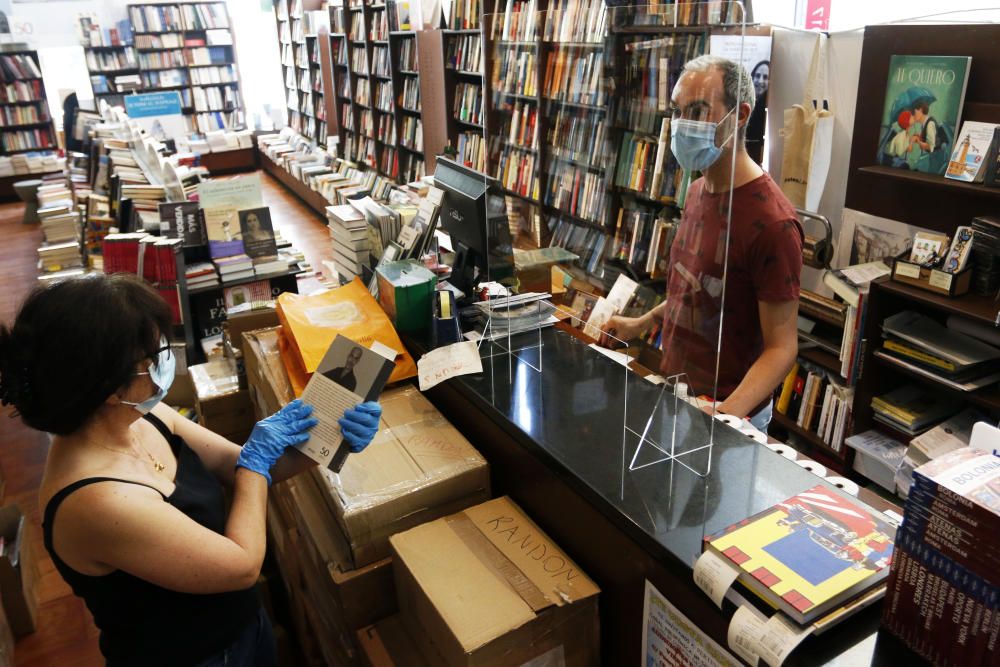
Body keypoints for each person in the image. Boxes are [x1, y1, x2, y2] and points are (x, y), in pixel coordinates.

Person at [0, 273, 383, 667]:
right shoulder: (94, 500)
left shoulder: (141, 417)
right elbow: (242, 564)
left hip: (241, 628)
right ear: (110, 388)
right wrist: (258, 457)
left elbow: (239, 465)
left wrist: (329, 440)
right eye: (152, 357)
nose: (164, 364)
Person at [603, 55, 802, 432]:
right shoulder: (697, 192)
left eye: (698, 110)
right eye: (678, 111)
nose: (682, 125)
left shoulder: (774, 224)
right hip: (678, 393)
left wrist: (728, 412)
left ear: (740, 115)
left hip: (728, 411)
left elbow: (782, 346)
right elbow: (696, 287)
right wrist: (642, 322)